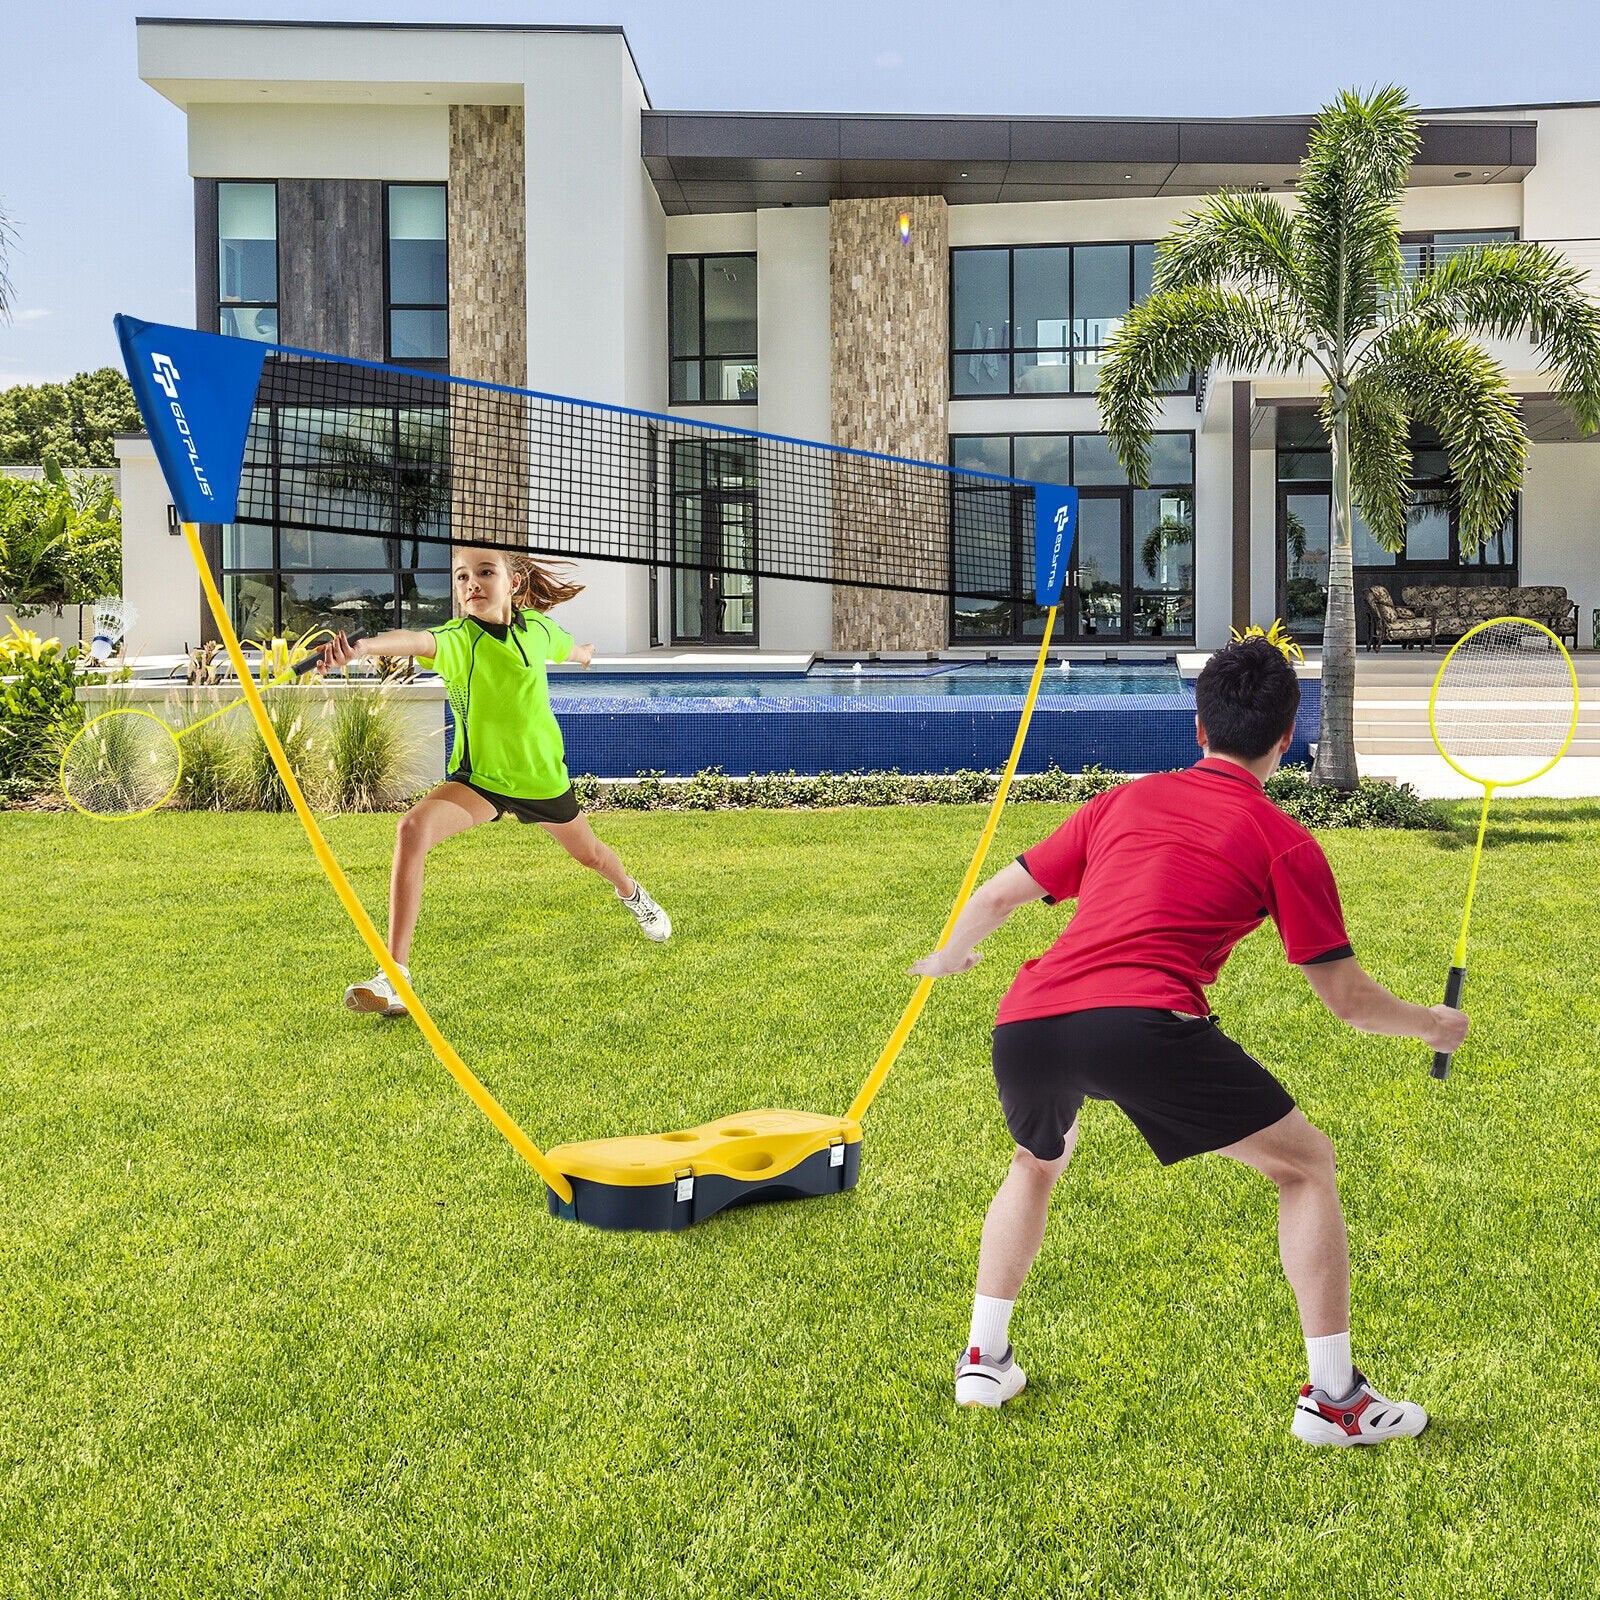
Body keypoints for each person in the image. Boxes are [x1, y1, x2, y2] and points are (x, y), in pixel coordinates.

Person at [911, 636, 1468, 1446]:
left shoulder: (1122, 803)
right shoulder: (1285, 841)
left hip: (1026, 1020)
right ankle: (1336, 1401)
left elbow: (1000, 895)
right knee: (1306, 1165)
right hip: (1139, 1025)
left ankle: (983, 1360)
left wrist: (951, 954)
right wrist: (1434, 1024)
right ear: (1287, 738)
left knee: (1036, 1161)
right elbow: (1346, 1001)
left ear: (1198, 732)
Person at [317, 545, 671, 1018]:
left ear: (513, 584)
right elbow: (416, 641)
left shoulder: (540, 630)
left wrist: (584, 653)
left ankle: (632, 893)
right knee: (412, 829)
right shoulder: (460, 639)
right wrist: (362, 648)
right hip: (481, 780)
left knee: (593, 855)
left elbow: (568, 647)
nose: (471, 584)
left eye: (484, 573)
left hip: (542, 778)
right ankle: (394, 976)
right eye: (462, 577)